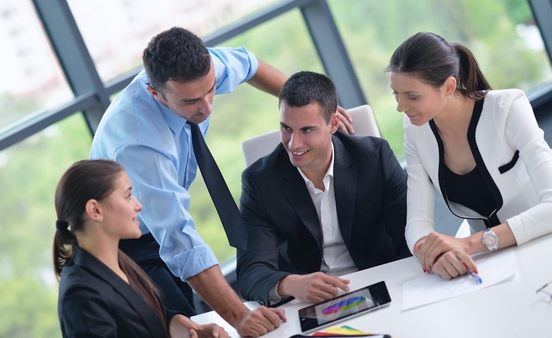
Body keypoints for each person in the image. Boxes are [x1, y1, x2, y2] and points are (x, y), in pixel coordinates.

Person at [92, 26, 344, 336]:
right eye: (191, 102)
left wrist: (314, 112)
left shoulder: (203, 66)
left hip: (155, 223)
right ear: (155, 93)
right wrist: (239, 316)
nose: (207, 107)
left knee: (193, 322)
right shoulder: (139, 144)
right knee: (178, 324)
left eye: (211, 90)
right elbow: (180, 240)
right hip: (124, 242)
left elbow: (250, 64)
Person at [236, 71, 411, 306]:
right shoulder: (259, 182)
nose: (293, 144)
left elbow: (409, 234)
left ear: (334, 124)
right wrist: (290, 283)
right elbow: (251, 272)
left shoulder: (374, 157)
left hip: (382, 285)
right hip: (308, 303)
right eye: (286, 128)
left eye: (307, 130)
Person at [388, 32, 552, 280]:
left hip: (540, 242)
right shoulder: (415, 130)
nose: (400, 106)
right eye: (396, 94)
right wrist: (435, 254)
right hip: (487, 265)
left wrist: (467, 245)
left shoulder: (507, 107)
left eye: (412, 96)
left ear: (449, 86)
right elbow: (417, 222)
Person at [53, 159, 228, 338]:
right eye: (128, 196)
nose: (139, 206)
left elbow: (155, 318)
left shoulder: (121, 263)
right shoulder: (80, 296)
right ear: (95, 210)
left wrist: (192, 331)